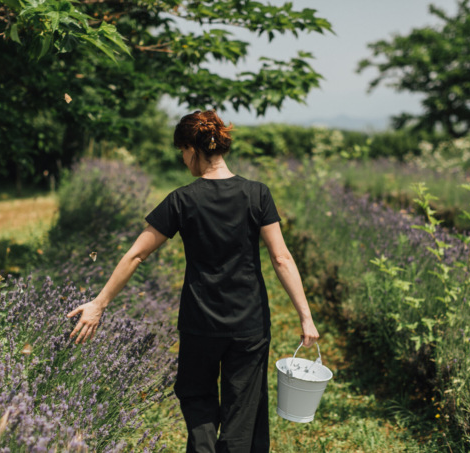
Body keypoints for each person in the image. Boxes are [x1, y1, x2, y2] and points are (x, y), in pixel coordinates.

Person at [67, 110, 320, 452]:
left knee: (197, 397)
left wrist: (99, 304)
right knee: (242, 408)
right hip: (249, 323)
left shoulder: (182, 199)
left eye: (182, 152)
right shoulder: (257, 194)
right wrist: (306, 316)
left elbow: (136, 254)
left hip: (200, 322)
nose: (183, 160)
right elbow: (281, 258)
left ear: (192, 148)